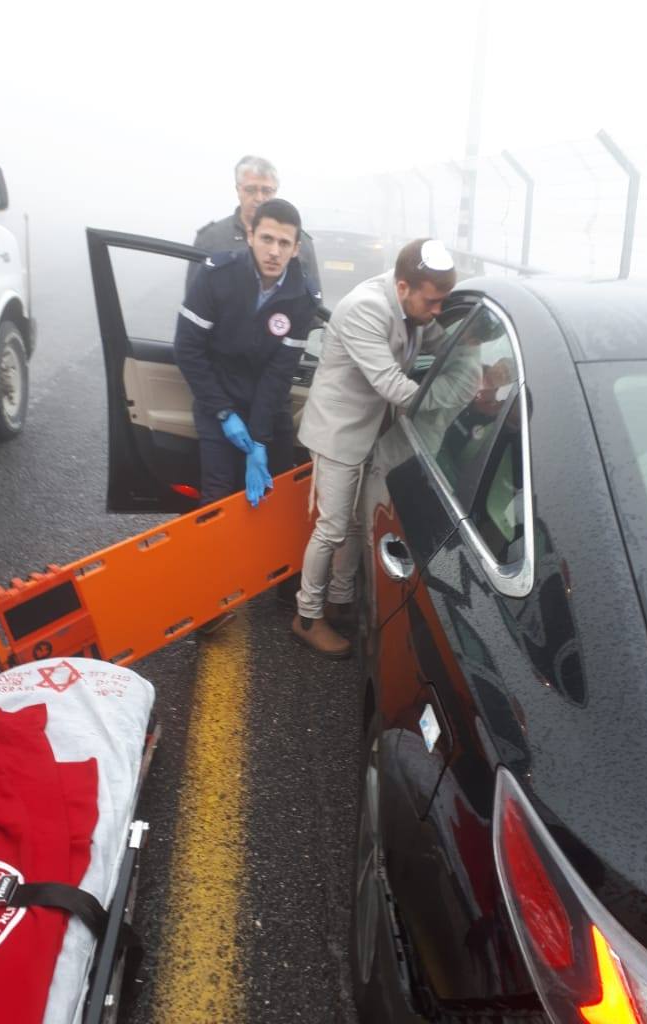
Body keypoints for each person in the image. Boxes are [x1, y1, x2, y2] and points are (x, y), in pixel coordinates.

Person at [292, 238, 457, 658]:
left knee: (351, 524)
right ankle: (307, 616)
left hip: (369, 429)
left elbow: (443, 342)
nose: (437, 311)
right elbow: (391, 385)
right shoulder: (368, 307)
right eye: (433, 301)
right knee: (332, 527)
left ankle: (341, 600)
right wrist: (456, 396)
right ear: (404, 287)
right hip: (339, 431)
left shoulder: (413, 307)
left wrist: (473, 353)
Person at [175, 197, 320, 633]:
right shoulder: (216, 275)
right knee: (217, 499)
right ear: (251, 236)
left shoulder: (302, 296)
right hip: (217, 397)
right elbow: (188, 349)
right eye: (267, 238)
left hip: (265, 403)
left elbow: (280, 373)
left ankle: (282, 588)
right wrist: (222, 413)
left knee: (280, 497)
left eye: (284, 242)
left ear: (296, 248)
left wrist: (257, 439)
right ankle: (207, 605)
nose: (274, 250)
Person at [188, 154, 320, 289]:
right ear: (238, 189)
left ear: (275, 191)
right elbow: (193, 298)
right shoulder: (211, 238)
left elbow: (313, 304)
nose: (259, 197)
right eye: (250, 190)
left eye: (266, 191)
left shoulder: (301, 243)